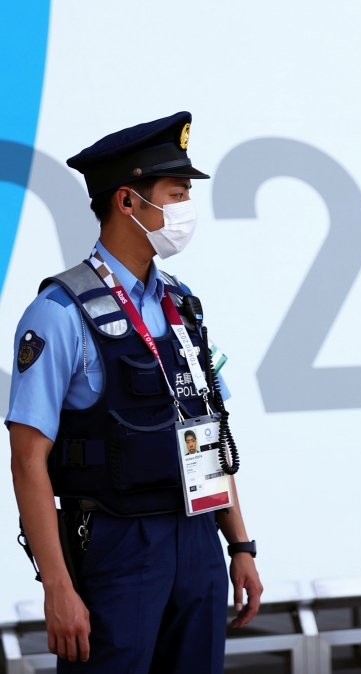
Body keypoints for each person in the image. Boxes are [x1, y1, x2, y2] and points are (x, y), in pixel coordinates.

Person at [8, 112, 263, 673]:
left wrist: (238, 546)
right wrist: (56, 586)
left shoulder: (182, 304)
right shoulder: (57, 313)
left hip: (196, 537)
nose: (185, 211)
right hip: (117, 543)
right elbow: (28, 460)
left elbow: (208, 431)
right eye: (176, 195)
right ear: (128, 202)